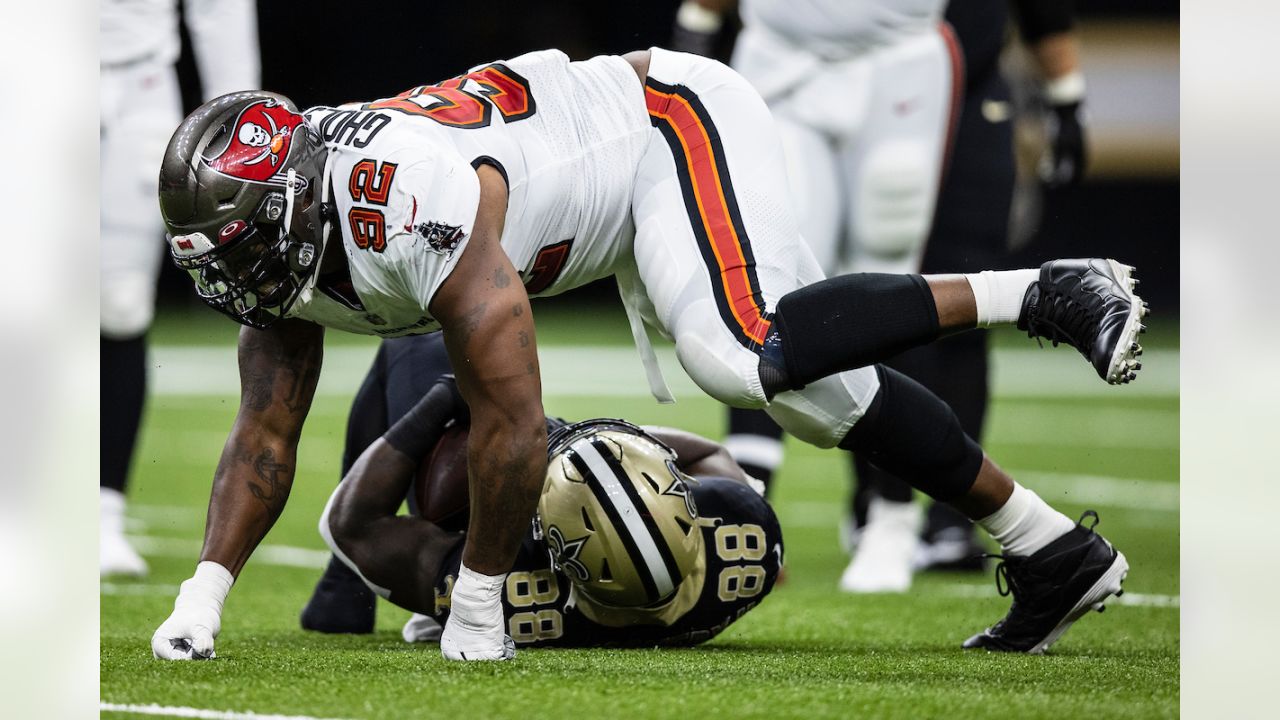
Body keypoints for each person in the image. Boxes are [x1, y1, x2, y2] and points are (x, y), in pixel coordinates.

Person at [150, 47, 1144, 662]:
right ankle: (1051, 548)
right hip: (606, 190)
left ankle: (1050, 288)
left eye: (244, 249)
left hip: (662, 125)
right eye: (219, 260)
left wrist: (482, 601)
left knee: (737, 351)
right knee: (819, 398)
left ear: (294, 200)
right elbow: (262, 437)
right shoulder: (290, 232)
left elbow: (514, 422)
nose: (241, 280)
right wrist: (204, 599)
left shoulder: (411, 203)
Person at [314, 334, 782, 649]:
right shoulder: (746, 542)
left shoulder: (512, 596)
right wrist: (587, 447)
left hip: (475, 533)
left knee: (419, 340)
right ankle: (342, 590)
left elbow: (349, 526)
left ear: (556, 550)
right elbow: (707, 452)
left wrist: (441, 400)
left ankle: (343, 586)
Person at [100, 0, 260, 577]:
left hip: (137, 85)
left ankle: (101, 511)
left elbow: (220, 11)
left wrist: (240, 129)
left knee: (119, 304)